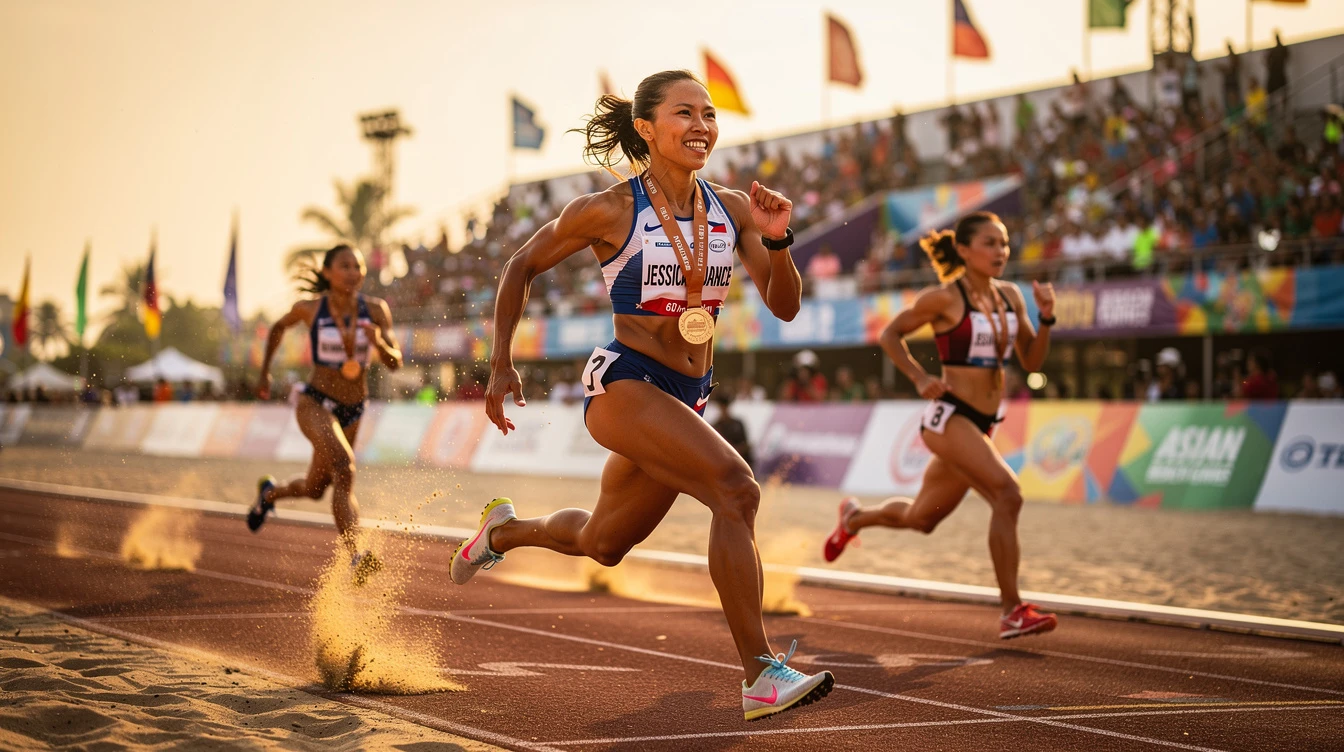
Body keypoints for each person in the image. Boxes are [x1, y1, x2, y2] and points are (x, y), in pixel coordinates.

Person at [454, 70, 834, 721]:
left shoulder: (735, 207)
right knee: (736, 489)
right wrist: (500, 365)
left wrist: (776, 238)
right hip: (624, 384)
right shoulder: (611, 209)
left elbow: (785, 305)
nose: (702, 126)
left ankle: (504, 531)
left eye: (710, 115)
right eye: (685, 113)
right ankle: (760, 674)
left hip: (687, 397)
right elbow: (520, 265)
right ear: (647, 128)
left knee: (604, 544)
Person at [821, 211, 1060, 640]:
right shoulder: (944, 299)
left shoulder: (1012, 297)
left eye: (1004, 243)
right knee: (1008, 494)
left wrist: (1045, 318)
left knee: (920, 519)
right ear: (964, 250)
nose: (1000, 251)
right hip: (949, 418)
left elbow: (1033, 361)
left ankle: (854, 519)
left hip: (981, 425)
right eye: (990, 243)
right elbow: (891, 335)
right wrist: (918, 377)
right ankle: (1011, 610)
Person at [248, 245, 403, 584]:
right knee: (345, 469)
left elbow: (395, 362)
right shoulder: (310, 309)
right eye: (344, 266)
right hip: (315, 403)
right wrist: (265, 374)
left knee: (316, 488)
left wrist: (378, 343)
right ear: (328, 272)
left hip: (353, 409)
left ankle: (268, 495)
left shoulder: (376, 310)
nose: (352, 273)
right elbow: (276, 328)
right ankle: (356, 555)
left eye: (358, 267)